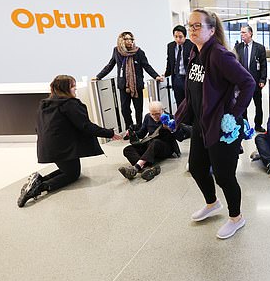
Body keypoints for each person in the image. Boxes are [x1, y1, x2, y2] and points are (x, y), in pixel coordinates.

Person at [175, 9, 255, 239]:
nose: (192, 29)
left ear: (211, 29)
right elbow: (194, 92)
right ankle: (212, 203)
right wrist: (180, 115)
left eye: (197, 25)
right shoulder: (194, 53)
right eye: (190, 25)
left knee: (224, 175)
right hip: (202, 124)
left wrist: (233, 115)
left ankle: (236, 218)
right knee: (198, 168)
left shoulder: (219, 54)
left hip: (223, 127)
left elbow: (248, 82)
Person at [17, 75, 123, 207]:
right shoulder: (69, 104)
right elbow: (85, 126)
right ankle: (39, 187)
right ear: (65, 89)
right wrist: (110, 133)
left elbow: (38, 127)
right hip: (62, 147)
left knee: (68, 169)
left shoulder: (45, 104)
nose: (75, 89)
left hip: (47, 146)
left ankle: (37, 180)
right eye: (73, 87)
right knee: (73, 174)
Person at [94, 31, 163, 131]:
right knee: (124, 109)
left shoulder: (138, 52)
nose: (130, 41)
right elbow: (110, 65)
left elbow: (146, 66)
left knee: (138, 109)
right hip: (124, 86)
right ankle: (129, 129)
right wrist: (99, 76)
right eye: (127, 39)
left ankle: (139, 128)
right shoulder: (117, 51)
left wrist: (156, 76)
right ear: (121, 40)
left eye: (131, 39)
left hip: (136, 85)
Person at [118, 101, 181, 181]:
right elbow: (142, 133)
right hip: (150, 144)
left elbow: (180, 137)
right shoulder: (148, 117)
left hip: (165, 147)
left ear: (162, 110)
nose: (155, 116)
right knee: (128, 149)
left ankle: (136, 168)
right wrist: (132, 133)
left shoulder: (170, 117)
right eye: (152, 114)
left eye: (157, 114)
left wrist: (171, 129)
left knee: (155, 142)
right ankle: (149, 169)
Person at [234, 25, 268, 132]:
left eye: (244, 32)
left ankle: (258, 124)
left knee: (258, 104)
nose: (242, 35)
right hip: (241, 83)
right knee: (242, 104)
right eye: (241, 33)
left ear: (250, 33)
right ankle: (244, 124)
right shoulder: (237, 48)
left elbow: (263, 65)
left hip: (255, 82)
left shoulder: (260, 48)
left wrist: (262, 80)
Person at [164, 25, 193, 106]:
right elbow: (169, 62)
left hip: (187, 78)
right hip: (176, 78)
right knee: (179, 104)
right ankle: (181, 118)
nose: (178, 39)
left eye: (180, 37)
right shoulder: (171, 46)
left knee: (190, 102)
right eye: (175, 36)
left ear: (185, 36)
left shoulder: (191, 45)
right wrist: (165, 74)